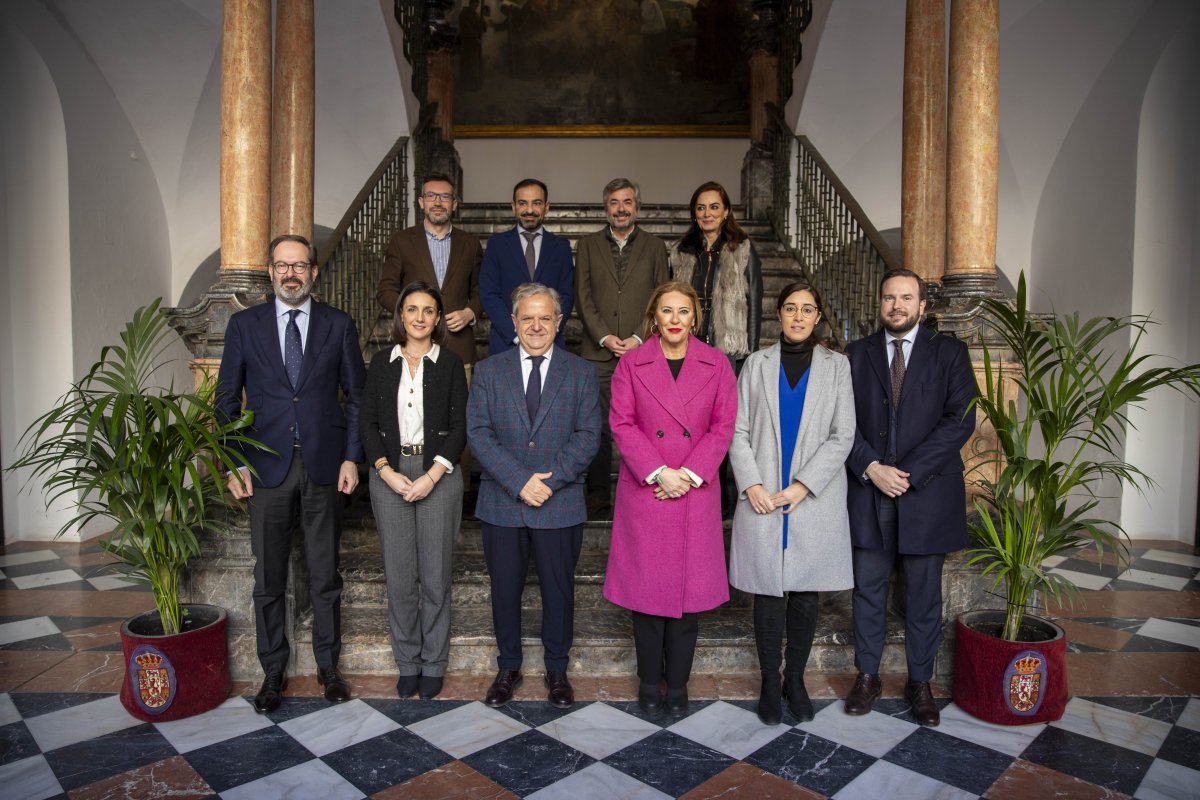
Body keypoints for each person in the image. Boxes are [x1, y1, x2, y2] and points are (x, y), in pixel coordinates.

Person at [216, 234, 365, 713]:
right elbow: (224, 403)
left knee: (324, 574)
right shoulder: (244, 325)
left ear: (314, 272)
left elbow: (357, 398)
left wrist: (350, 457)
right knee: (269, 577)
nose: (290, 274)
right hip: (264, 468)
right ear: (270, 271)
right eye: (282, 266)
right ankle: (273, 671)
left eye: (299, 265)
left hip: (324, 463)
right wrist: (234, 461)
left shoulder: (339, 324)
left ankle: (328, 667)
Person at [843, 268, 978, 728]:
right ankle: (867, 675)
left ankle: (920, 681)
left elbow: (959, 421)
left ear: (924, 306)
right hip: (869, 490)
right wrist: (871, 467)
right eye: (889, 298)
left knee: (923, 596)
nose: (896, 306)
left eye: (906, 298)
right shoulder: (855, 355)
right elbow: (841, 425)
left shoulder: (950, 353)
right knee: (868, 591)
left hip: (926, 493)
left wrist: (909, 472)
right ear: (878, 304)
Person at [602, 281, 737, 717]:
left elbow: (723, 427)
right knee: (647, 601)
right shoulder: (631, 365)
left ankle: (677, 687)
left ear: (695, 318)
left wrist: (689, 474)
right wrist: (661, 472)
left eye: (683, 311)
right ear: (653, 318)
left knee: (686, 603)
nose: (675, 319)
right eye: (667, 311)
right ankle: (647, 684)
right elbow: (621, 424)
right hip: (648, 490)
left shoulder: (716, 364)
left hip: (694, 491)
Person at [728, 282, 856, 726]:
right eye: (790, 309)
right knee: (767, 591)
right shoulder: (756, 365)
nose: (798, 317)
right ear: (777, 314)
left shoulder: (838, 367)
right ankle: (768, 680)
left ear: (817, 317)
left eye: (807, 309)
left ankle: (795, 680)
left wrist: (803, 485)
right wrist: (752, 485)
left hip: (812, 497)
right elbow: (738, 431)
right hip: (763, 494)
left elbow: (843, 435)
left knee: (805, 592)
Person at [467, 283, 600, 709]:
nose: (537, 325)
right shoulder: (489, 371)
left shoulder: (579, 372)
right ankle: (508, 667)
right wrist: (519, 480)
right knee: (504, 590)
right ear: (513, 323)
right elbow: (479, 434)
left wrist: (551, 479)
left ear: (559, 322)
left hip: (559, 502)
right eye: (528, 317)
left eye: (545, 317)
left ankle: (557, 670)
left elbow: (588, 436)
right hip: (502, 502)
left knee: (558, 591)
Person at [360, 281, 467, 701]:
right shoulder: (381, 363)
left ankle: (434, 663)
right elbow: (367, 422)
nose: (419, 317)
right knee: (401, 577)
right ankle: (408, 662)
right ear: (400, 316)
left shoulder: (451, 363)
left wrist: (433, 474)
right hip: (390, 473)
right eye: (412, 309)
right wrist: (385, 470)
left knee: (436, 577)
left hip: (437, 470)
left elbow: (461, 426)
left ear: (438, 318)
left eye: (428, 310)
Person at [575, 178, 670, 519]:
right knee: (597, 425)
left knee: (644, 425)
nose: (621, 208)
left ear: (637, 206)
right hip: (597, 352)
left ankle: (641, 489)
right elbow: (582, 297)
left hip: (642, 351)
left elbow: (662, 297)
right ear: (606, 207)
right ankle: (598, 494)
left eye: (627, 201)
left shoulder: (656, 246)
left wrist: (638, 337)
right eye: (614, 202)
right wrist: (604, 336)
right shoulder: (586, 245)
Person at [669, 180, 762, 516]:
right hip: (688, 350)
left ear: (726, 212)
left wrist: (748, 352)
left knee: (722, 426)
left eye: (714, 207)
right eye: (700, 207)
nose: (707, 213)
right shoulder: (681, 250)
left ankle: (721, 498)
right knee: (690, 420)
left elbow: (754, 303)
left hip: (729, 351)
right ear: (694, 214)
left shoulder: (743, 248)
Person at [377, 173, 483, 383]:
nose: (437, 202)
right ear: (421, 202)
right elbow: (386, 291)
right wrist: (411, 312)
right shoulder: (402, 241)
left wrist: (470, 312)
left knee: (457, 414)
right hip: (413, 347)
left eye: (444, 197)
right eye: (431, 195)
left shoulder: (470, 243)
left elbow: (480, 289)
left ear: (454, 204)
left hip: (458, 348)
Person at [480, 178, 574, 355]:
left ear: (547, 206)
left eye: (536, 203)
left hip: (551, 343)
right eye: (523, 203)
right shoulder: (496, 245)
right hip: (506, 343)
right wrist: (517, 335)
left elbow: (566, 296)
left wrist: (546, 333)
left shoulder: (561, 247)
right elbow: (489, 294)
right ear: (514, 206)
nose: (529, 210)